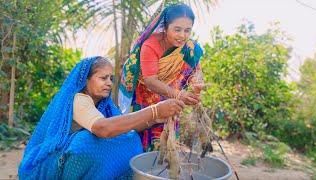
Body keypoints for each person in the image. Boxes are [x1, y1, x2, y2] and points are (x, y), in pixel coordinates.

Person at [18, 57, 185, 179]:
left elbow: (125, 127)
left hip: (73, 158)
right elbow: (103, 128)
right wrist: (155, 110)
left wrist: (158, 118)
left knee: (130, 136)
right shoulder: (78, 99)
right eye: (103, 78)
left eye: (111, 78)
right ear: (85, 80)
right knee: (86, 141)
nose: (110, 83)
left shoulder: (105, 105)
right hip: (53, 164)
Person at [118, 3, 204, 152]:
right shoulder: (150, 45)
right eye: (177, 29)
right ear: (165, 27)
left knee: (168, 136)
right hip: (144, 97)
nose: (182, 35)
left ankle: (166, 165)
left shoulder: (189, 48)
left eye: (187, 30)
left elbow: (197, 71)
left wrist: (197, 81)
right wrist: (178, 94)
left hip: (168, 96)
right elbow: (150, 81)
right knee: (142, 135)